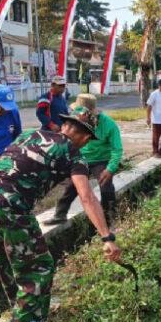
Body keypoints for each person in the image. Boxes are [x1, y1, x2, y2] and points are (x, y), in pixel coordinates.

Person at [0, 113, 121, 322]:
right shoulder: (72, 152)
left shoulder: (30, 133)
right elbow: (87, 196)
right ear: (82, 135)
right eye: (88, 139)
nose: (86, 144)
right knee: (39, 264)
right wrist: (106, 236)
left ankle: (22, 308)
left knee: (7, 261)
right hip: (9, 205)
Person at [46, 94, 123, 227]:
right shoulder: (73, 123)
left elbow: (117, 149)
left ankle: (109, 219)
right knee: (72, 187)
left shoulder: (108, 124)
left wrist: (110, 168)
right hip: (80, 159)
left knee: (106, 187)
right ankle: (60, 215)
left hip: (101, 160)